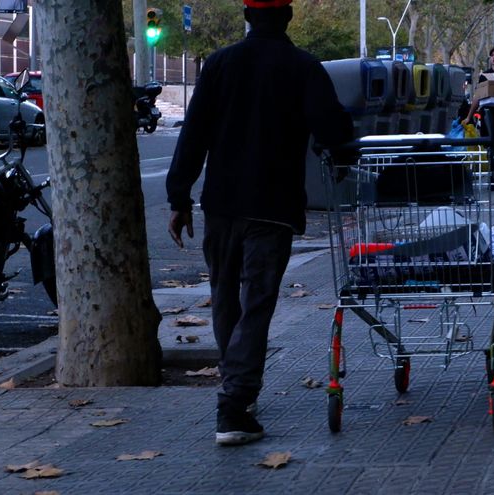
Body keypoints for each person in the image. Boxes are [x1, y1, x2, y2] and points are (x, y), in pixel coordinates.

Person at [166, 0, 353, 446]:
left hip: (222, 203)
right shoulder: (303, 67)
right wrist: (344, 155)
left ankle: (237, 393)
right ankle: (234, 404)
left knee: (225, 295)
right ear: (287, 17)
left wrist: (179, 198)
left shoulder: (219, 64)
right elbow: (333, 129)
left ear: (247, 18)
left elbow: (194, 135)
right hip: (272, 204)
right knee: (257, 303)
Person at [461, 46, 494, 179]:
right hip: (488, 116)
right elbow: (477, 97)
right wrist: (469, 117)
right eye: (492, 55)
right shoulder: (484, 76)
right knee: (490, 148)